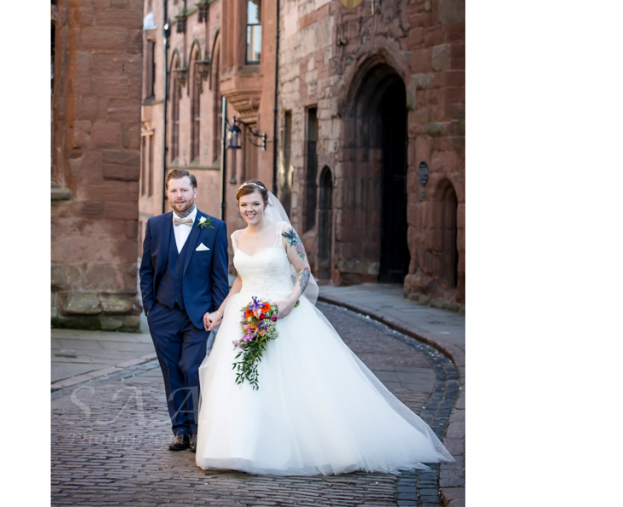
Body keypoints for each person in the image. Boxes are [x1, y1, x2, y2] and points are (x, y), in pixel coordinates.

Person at [195, 180, 455, 476]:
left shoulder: (283, 232)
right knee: (243, 382)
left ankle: (296, 448)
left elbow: (303, 271)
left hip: (284, 312)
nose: (249, 209)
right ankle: (237, 449)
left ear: (266, 203)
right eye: (243, 205)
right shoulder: (237, 237)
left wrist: (291, 301)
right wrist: (220, 311)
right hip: (247, 315)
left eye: (254, 203)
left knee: (296, 385)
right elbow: (241, 279)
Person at [139, 169, 229, 453]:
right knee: (170, 371)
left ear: (195, 192)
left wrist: (216, 312)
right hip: (162, 313)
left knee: (190, 368)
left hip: (198, 315)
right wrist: (150, 310)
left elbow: (219, 276)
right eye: (173, 191)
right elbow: (146, 271)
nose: (179, 196)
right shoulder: (155, 225)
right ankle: (180, 431)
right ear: (168, 193)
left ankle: (197, 430)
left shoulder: (214, 227)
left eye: (184, 190)